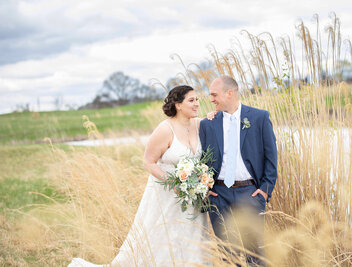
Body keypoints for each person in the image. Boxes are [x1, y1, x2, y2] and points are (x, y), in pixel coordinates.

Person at [69, 85, 210, 267]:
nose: (197, 103)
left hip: (192, 198)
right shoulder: (165, 129)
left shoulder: (199, 124)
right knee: (163, 236)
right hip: (167, 195)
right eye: (191, 100)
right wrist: (173, 182)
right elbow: (148, 162)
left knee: (192, 237)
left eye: (197, 99)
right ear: (178, 105)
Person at [199, 76, 278, 265]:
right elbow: (202, 159)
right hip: (218, 195)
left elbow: (271, 157)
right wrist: (205, 188)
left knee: (255, 253)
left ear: (230, 93)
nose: (211, 100)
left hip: (249, 193)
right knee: (227, 254)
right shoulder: (207, 123)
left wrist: (265, 190)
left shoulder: (259, 117)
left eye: (214, 95)